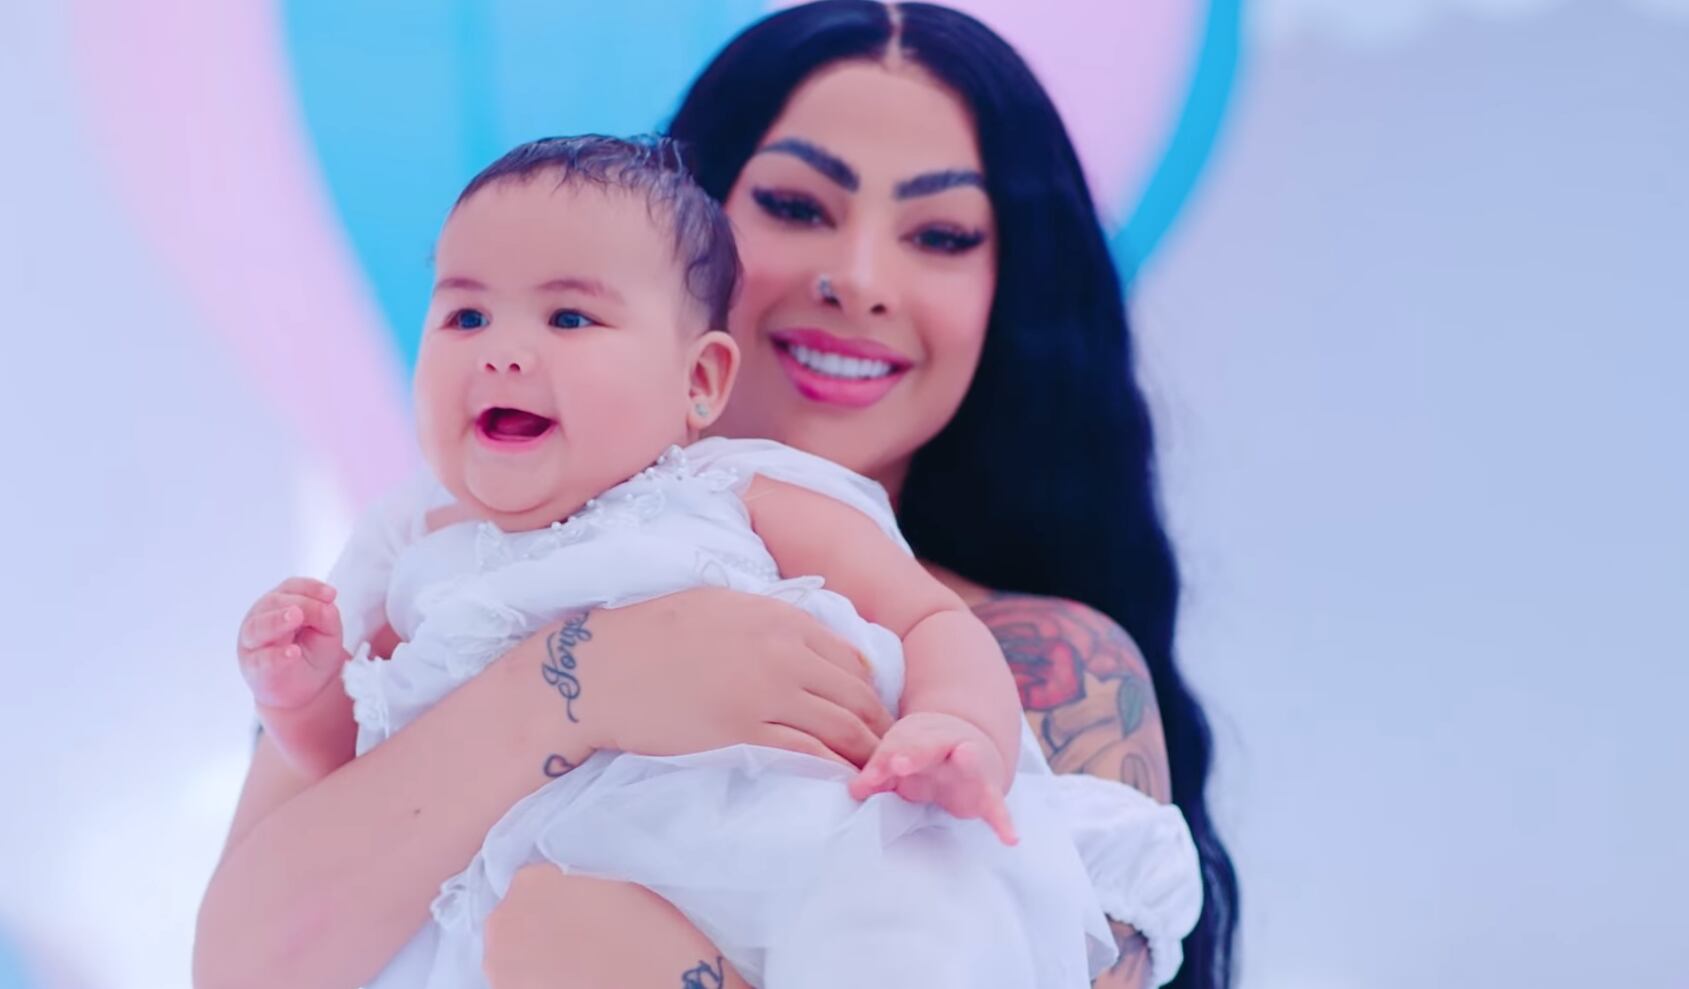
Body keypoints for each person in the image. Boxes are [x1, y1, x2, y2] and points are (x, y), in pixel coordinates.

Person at [194, 4, 1238, 989]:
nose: (859, 277)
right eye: (795, 206)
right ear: (683, 234)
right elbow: (248, 963)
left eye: (941, 235)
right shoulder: (428, 590)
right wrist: (577, 681)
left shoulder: (1042, 662)